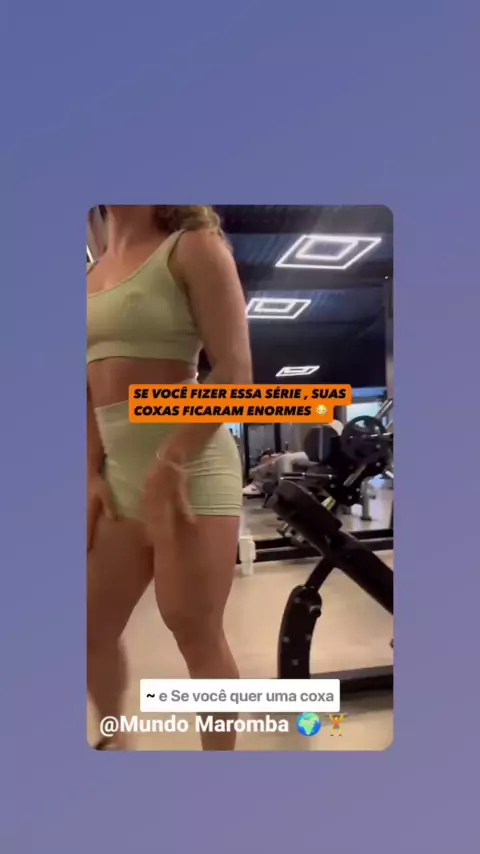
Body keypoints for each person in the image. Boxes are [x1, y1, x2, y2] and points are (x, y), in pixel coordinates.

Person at [87, 205, 252, 751]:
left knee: (195, 633)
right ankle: (113, 743)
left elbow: (234, 372)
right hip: (119, 479)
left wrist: (172, 460)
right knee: (88, 628)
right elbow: (84, 389)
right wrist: (89, 474)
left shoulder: (194, 247)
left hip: (190, 469)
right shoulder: (89, 273)